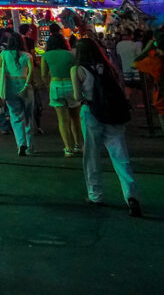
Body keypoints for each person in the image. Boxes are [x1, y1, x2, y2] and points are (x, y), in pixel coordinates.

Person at [72, 38, 141, 216]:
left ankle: (95, 195)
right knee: (121, 157)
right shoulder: (109, 67)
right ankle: (131, 196)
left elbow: (77, 96)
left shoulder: (77, 70)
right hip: (113, 114)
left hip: (91, 112)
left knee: (92, 156)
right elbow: (121, 88)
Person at [42, 29, 81, 157]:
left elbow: (44, 74)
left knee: (62, 120)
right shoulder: (70, 54)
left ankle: (68, 148)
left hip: (56, 85)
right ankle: (78, 145)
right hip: (71, 84)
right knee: (75, 118)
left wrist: (49, 85)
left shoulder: (46, 56)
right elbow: (76, 70)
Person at [0, 33, 35, 156]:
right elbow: (30, 72)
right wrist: (25, 85)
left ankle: (20, 143)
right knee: (28, 116)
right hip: (24, 84)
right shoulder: (28, 56)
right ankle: (29, 145)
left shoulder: (4, 54)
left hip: (10, 86)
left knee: (15, 116)